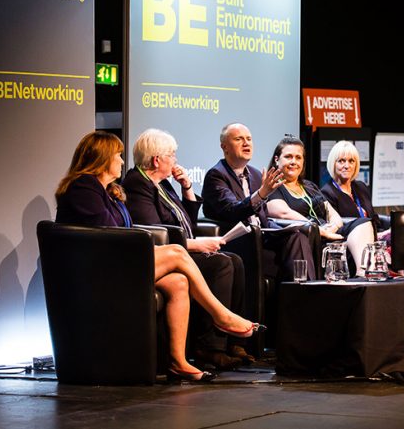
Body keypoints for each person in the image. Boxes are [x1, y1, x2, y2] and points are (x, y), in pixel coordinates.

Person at [55, 131, 261, 382]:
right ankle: (220, 315)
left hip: (116, 261)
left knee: (178, 282)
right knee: (176, 252)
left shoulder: (110, 190)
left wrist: (185, 189)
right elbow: (108, 233)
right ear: (101, 158)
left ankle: (178, 361)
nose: (122, 161)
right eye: (118, 156)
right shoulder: (84, 187)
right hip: (99, 269)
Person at [122, 128, 252, 368]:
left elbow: (187, 224)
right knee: (221, 264)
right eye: (172, 155)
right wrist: (195, 244)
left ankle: (233, 342)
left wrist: (186, 188)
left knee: (235, 260)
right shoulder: (138, 184)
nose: (175, 160)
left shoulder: (163, 184)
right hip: (166, 254)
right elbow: (156, 233)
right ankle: (209, 347)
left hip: (183, 249)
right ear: (156, 159)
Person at [201, 123, 316, 282]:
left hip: (262, 236)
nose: (246, 143)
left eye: (249, 139)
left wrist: (286, 229)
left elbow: (264, 218)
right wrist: (262, 193)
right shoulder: (216, 176)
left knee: (297, 236)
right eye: (239, 139)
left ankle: (305, 291)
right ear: (224, 147)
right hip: (240, 242)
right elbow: (233, 210)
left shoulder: (255, 174)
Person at [266, 136, 376, 276]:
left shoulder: (309, 186)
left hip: (327, 233)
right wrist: (319, 230)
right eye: (288, 157)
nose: (294, 162)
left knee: (363, 223)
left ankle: (363, 275)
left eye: (298, 157)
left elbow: (332, 213)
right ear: (277, 159)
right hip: (308, 237)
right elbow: (282, 213)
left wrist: (333, 227)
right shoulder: (272, 187)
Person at [320, 140, 389, 239]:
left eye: (351, 161)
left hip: (375, 238)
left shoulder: (361, 187)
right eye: (341, 161)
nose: (347, 166)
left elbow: (374, 218)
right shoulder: (327, 193)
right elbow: (339, 228)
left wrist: (382, 233)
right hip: (351, 241)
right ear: (333, 164)